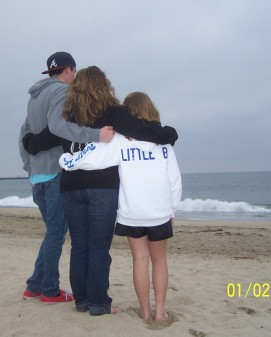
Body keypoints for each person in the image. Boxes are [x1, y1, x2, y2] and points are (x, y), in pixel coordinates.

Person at [51, 66, 178, 316]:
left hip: (70, 187)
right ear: (104, 86)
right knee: (98, 248)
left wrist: (30, 143)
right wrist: (169, 134)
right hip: (101, 188)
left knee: (79, 246)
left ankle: (82, 301)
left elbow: (46, 137)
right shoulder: (111, 112)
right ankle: (98, 304)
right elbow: (141, 130)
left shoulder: (65, 113)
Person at [18, 52, 114, 303]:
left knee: (53, 232)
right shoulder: (60, 92)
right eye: (74, 72)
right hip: (54, 172)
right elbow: (58, 127)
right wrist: (95, 135)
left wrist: (29, 168)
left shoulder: (35, 96)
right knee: (56, 234)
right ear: (69, 70)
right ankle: (49, 290)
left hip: (38, 175)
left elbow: (23, 135)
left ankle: (34, 285)